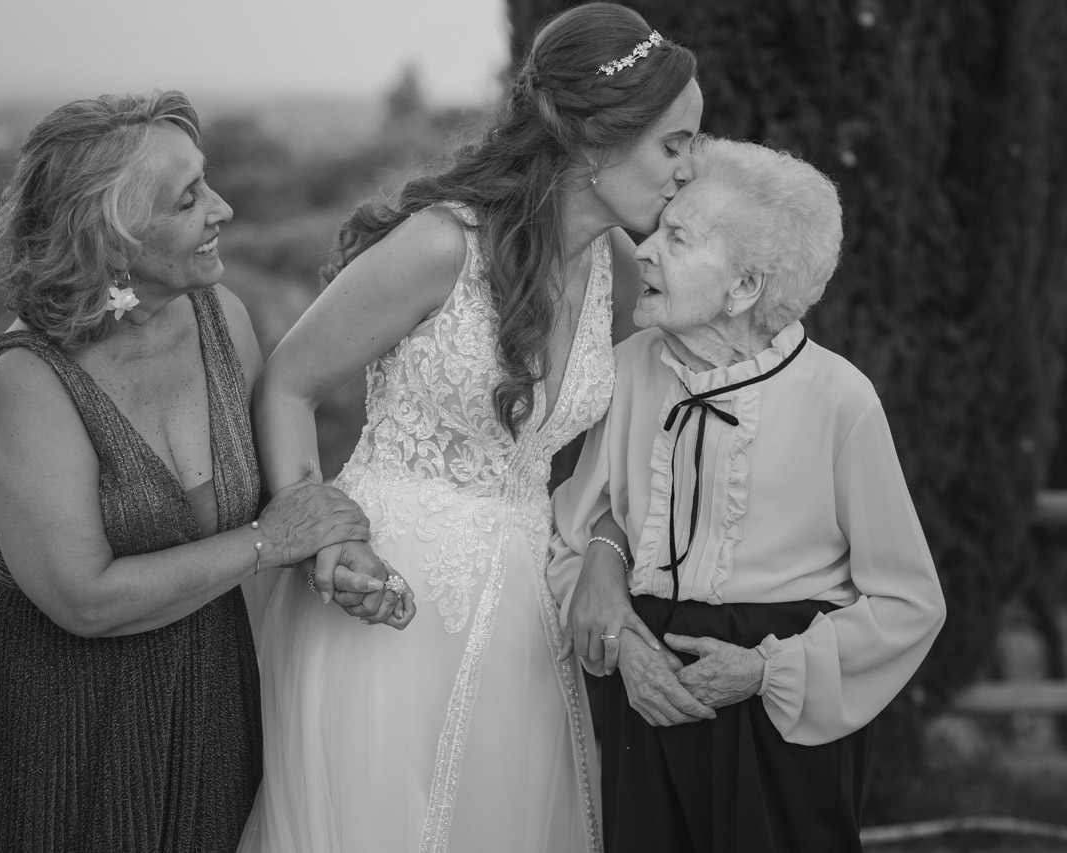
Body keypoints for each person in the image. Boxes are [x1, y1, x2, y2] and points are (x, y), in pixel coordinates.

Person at [238, 6, 702, 853]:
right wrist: (322, 536)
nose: (689, 169)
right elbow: (288, 383)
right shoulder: (440, 244)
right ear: (595, 139)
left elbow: (615, 463)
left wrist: (603, 551)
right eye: (674, 144)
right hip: (386, 605)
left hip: (525, 621)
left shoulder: (618, 271)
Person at [0, 91, 389, 853]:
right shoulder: (33, 374)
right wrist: (271, 542)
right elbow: (86, 598)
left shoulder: (221, 315)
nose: (223, 208)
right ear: (112, 235)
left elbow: (276, 498)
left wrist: (334, 556)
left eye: (207, 181)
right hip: (48, 714)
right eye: (188, 199)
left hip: (204, 690)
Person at [549, 136, 947, 852]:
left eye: (677, 238)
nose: (643, 250)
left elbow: (910, 602)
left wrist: (766, 670)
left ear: (743, 288)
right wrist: (623, 639)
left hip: (781, 714)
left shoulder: (840, 398)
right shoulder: (629, 368)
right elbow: (570, 537)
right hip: (646, 694)